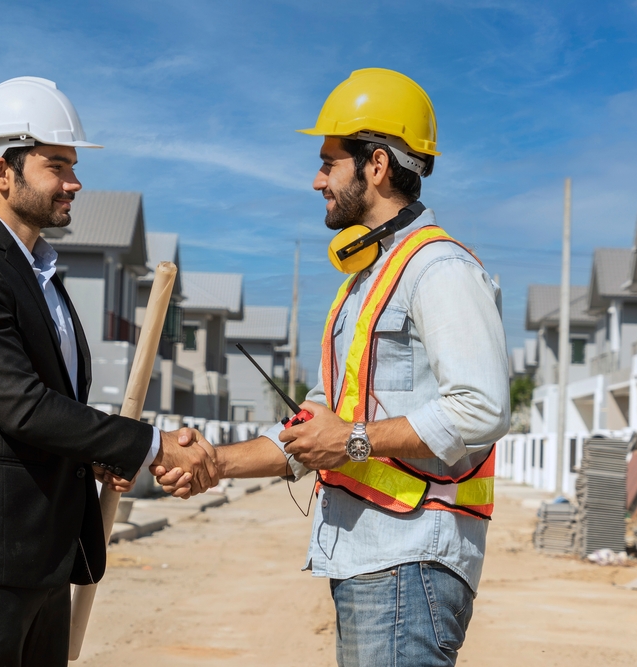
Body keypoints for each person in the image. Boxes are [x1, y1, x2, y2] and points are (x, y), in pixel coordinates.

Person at [155, 68, 510, 666]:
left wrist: (353, 439)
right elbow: (315, 429)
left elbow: (482, 407)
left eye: (328, 162)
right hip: (370, 559)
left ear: (375, 165)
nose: (317, 179)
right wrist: (215, 462)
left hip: (411, 560)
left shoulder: (438, 269)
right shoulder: (364, 284)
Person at [0, 76, 217, 667]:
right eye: (57, 166)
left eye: (73, 167)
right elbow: (21, 406)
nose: (74, 183)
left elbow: (42, 412)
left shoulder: (43, 277)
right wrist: (149, 446)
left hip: (43, 557)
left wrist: (93, 455)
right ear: (2, 172)